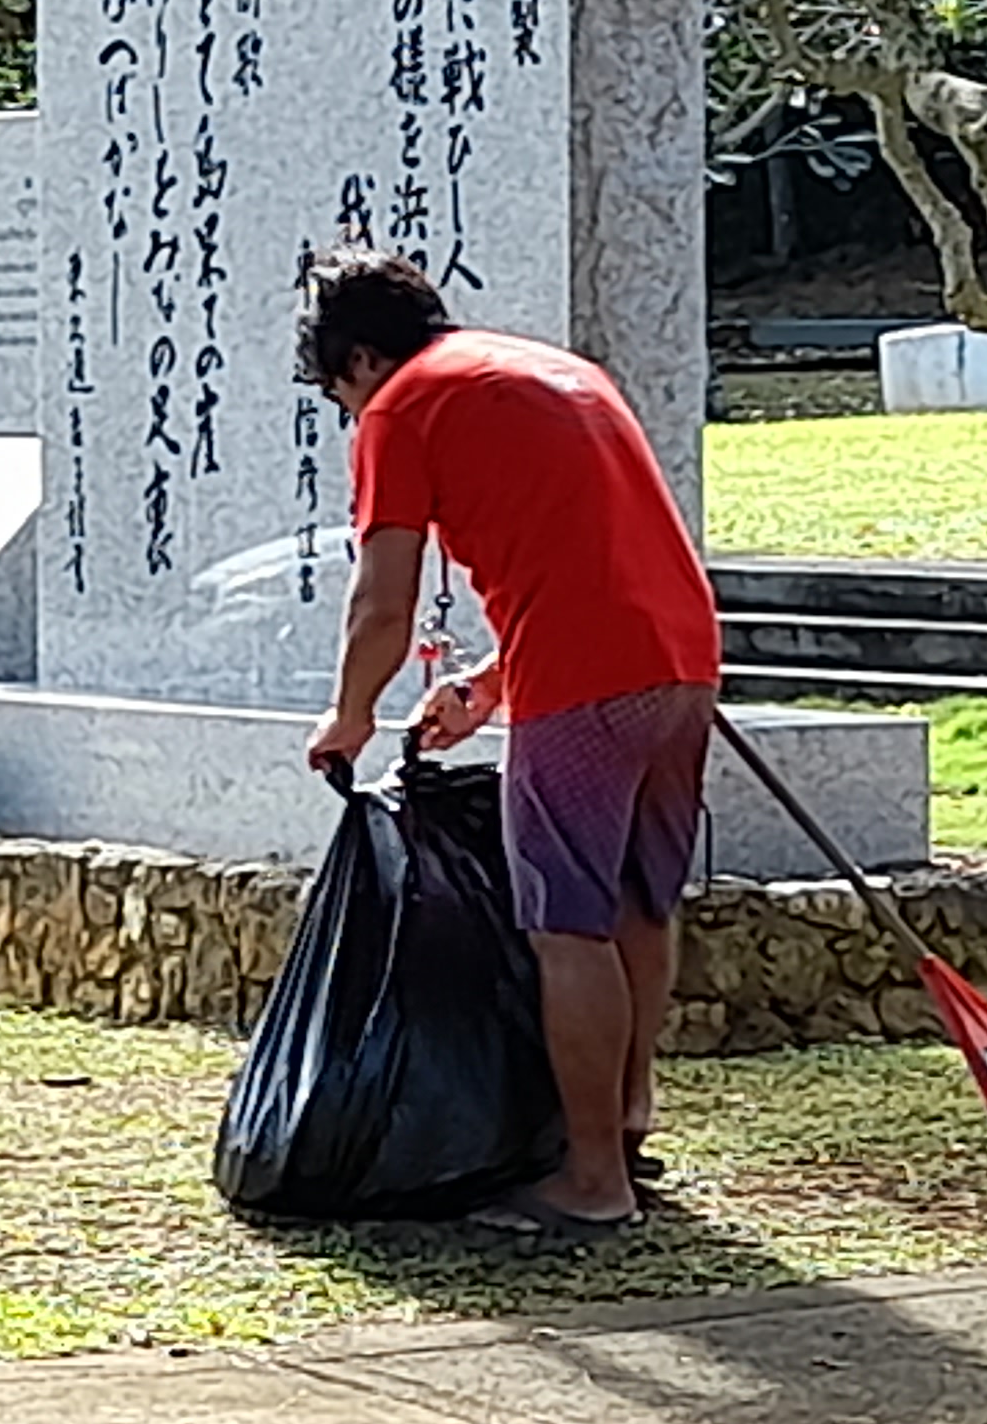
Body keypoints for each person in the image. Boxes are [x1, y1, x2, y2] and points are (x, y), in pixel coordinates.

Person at [297, 251, 722, 1242]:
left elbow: (382, 596)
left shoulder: (403, 406)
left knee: (565, 923)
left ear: (360, 359)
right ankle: (625, 1122)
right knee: (634, 902)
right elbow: (587, 555)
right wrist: (490, 686)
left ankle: (590, 1180)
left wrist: (350, 714)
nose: (353, 415)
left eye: (339, 393)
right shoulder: (555, 371)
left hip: (584, 684)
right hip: (683, 659)